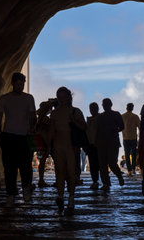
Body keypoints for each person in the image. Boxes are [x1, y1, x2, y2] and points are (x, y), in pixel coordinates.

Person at [0, 72, 37, 207]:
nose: (21, 86)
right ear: (13, 83)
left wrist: (31, 128)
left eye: (23, 84)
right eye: (19, 84)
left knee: (25, 166)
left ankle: (25, 189)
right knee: (9, 167)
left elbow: (32, 116)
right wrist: (0, 134)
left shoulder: (29, 98)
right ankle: (10, 194)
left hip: (24, 136)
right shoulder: (4, 99)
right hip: (9, 136)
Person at [49, 87, 86, 215]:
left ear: (69, 97)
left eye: (63, 96)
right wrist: (50, 147)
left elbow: (83, 127)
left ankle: (70, 198)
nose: (61, 99)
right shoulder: (54, 113)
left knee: (71, 174)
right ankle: (60, 196)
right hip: (58, 145)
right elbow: (52, 131)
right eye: (59, 96)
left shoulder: (76, 112)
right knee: (59, 173)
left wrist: (73, 120)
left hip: (72, 146)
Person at [96, 98, 125, 191]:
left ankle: (110, 181)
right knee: (105, 164)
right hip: (109, 142)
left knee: (108, 164)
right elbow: (122, 127)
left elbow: (122, 126)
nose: (104, 106)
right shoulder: (114, 115)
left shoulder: (102, 116)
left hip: (110, 142)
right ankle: (107, 183)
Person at [35, 99, 56, 187]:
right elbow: (45, 133)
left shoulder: (38, 119)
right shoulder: (45, 119)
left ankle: (40, 180)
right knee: (47, 160)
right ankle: (41, 180)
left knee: (42, 161)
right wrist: (48, 145)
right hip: (43, 140)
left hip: (37, 139)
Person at [121, 103, 140, 176]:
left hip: (125, 137)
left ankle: (129, 170)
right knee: (134, 154)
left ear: (126, 108)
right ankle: (133, 169)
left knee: (127, 154)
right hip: (133, 138)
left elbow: (120, 127)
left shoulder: (123, 116)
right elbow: (140, 127)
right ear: (132, 108)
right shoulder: (135, 117)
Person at [85, 102, 100, 190]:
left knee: (96, 164)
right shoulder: (90, 119)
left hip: (96, 144)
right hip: (92, 144)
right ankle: (96, 181)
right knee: (95, 165)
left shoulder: (92, 120)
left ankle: (96, 181)